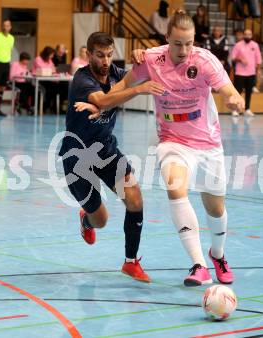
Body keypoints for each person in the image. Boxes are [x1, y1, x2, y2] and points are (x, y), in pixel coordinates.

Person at [92, 10, 245, 287]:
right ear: (167, 39)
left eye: (188, 43)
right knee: (176, 188)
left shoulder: (205, 60)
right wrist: (100, 102)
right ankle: (199, 264)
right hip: (173, 141)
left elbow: (229, 92)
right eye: (177, 43)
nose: (184, 50)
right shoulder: (151, 59)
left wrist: (236, 101)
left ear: (194, 40)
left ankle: (218, 255)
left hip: (208, 144)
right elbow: (123, 87)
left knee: (215, 209)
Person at [58, 32, 163, 283]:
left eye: (109, 55)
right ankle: (87, 218)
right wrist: (139, 89)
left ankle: (130, 262)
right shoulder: (81, 79)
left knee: (135, 200)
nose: (105, 61)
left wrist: (142, 55)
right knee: (101, 220)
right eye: (99, 55)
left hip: (105, 151)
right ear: (88, 54)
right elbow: (104, 100)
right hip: (78, 158)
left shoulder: (116, 73)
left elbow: (149, 66)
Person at [230, 29, 262, 117]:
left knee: (249, 92)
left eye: (249, 34)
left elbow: (258, 59)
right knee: (237, 92)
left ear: (251, 36)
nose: (248, 36)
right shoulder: (238, 45)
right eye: (246, 34)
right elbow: (233, 57)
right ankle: (235, 110)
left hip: (251, 73)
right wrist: (240, 59)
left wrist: (258, 70)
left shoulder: (255, 45)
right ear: (243, 35)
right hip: (240, 73)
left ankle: (247, 109)